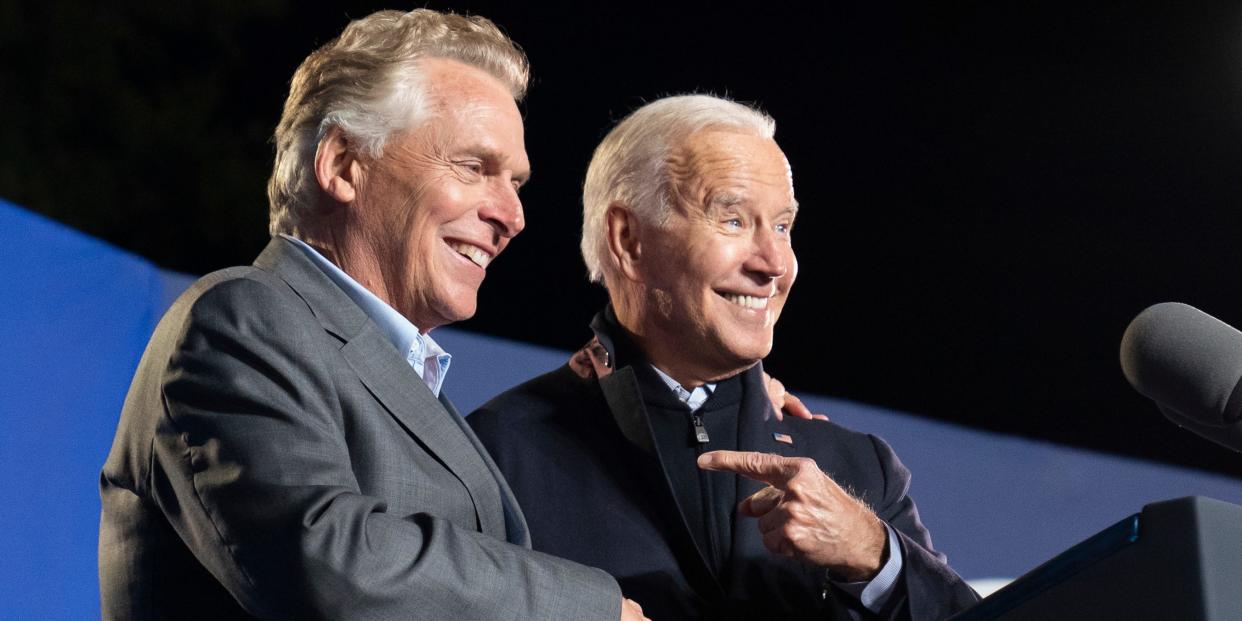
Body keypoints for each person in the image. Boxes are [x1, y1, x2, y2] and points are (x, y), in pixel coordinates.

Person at [98, 9, 647, 620]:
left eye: (516, 183)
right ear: (342, 165)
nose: (512, 217)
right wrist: (589, 610)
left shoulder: (399, 374)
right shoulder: (242, 317)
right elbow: (326, 558)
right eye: (474, 167)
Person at [469, 95, 980, 620]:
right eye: (734, 221)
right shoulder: (495, 455)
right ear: (628, 241)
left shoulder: (858, 468)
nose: (775, 263)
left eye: (782, 226)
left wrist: (876, 556)